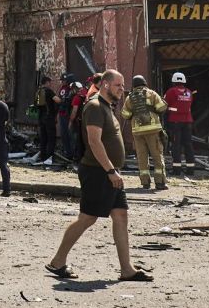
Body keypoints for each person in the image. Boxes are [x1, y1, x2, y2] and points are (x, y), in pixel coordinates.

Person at [46, 69, 152, 283]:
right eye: (118, 86)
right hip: (98, 172)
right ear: (105, 85)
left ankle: (127, 270)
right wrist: (110, 170)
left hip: (110, 172)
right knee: (87, 218)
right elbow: (94, 142)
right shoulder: (94, 106)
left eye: (123, 86)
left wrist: (114, 170)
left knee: (120, 216)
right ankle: (57, 262)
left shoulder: (106, 107)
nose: (122, 90)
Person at [121, 75, 168, 190]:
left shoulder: (129, 98)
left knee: (142, 157)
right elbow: (161, 108)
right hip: (153, 130)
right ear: (144, 83)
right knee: (157, 155)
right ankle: (160, 182)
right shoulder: (151, 93)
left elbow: (125, 115)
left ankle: (145, 182)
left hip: (137, 131)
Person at [164, 72, 198, 173]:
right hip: (187, 122)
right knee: (188, 144)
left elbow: (164, 104)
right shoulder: (189, 92)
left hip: (175, 122)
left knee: (176, 145)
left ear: (174, 81)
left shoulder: (171, 91)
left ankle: (177, 169)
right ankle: (191, 168)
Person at [34, 75, 57, 165]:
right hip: (49, 118)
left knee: (43, 138)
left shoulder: (38, 91)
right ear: (47, 82)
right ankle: (49, 158)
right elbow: (57, 100)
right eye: (50, 82)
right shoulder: (49, 91)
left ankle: (43, 157)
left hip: (41, 118)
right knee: (51, 138)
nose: (51, 84)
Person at [57, 73, 75, 160]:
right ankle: (70, 153)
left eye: (64, 80)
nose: (62, 82)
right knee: (67, 134)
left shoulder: (68, 89)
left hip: (66, 114)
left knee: (67, 134)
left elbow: (61, 101)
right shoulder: (72, 89)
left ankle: (70, 153)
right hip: (66, 114)